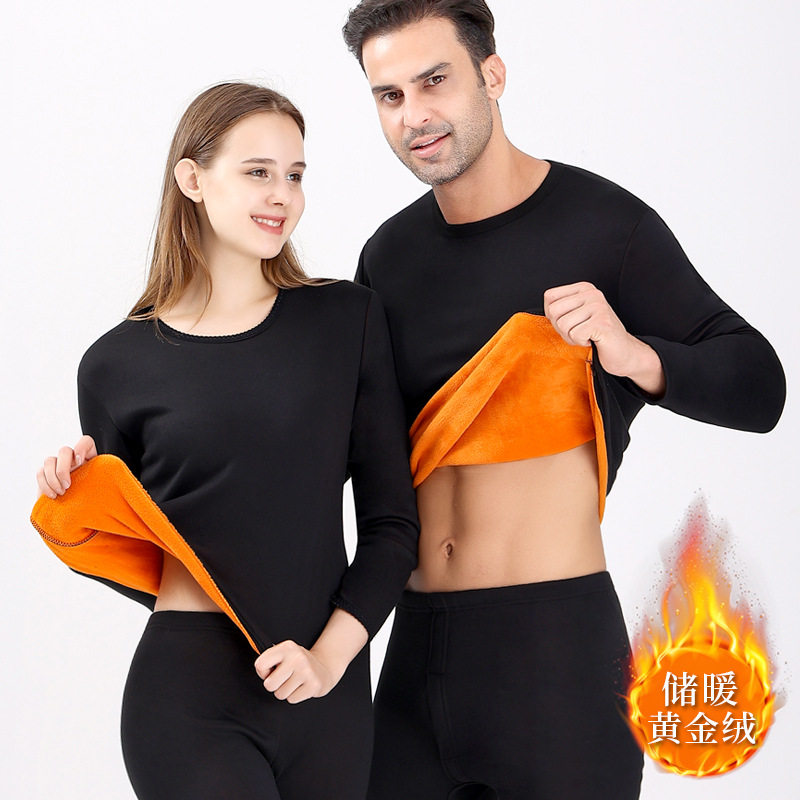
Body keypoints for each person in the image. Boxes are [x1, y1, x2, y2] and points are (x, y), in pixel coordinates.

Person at [341, 1, 786, 798]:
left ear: (493, 75)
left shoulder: (604, 226)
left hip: (552, 657)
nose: (414, 115)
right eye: (390, 95)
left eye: (435, 81)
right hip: (413, 658)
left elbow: (760, 385)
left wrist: (633, 353)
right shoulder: (388, 256)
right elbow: (359, 453)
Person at [33, 81, 419, 800]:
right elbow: (135, 553)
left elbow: (393, 526)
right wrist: (74, 494)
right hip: (189, 698)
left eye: (295, 175)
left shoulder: (348, 322)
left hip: (331, 696)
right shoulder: (115, 364)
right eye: (258, 172)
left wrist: (329, 658)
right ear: (192, 179)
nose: (283, 196)